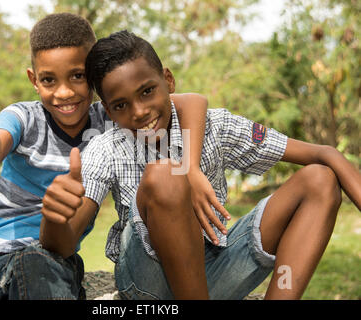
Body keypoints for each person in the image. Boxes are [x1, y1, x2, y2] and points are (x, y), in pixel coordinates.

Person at [40, 30, 361, 300]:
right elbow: (63, 241)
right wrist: (54, 217)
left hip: (215, 271)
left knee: (320, 180)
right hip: (148, 285)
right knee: (166, 176)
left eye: (147, 91)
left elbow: (325, 154)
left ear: (168, 81)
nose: (138, 112)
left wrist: (332, 157)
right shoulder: (106, 147)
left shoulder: (213, 127)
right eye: (121, 105)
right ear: (108, 113)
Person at [0, 14, 210, 300]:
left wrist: (189, 167)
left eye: (78, 76)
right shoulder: (25, 116)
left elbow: (190, 101)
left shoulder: (111, 117)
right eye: (48, 80)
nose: (64, 92)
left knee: (40, 272)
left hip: (51, 260)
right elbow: (1, 136)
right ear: (34, 80)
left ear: (93, 78)